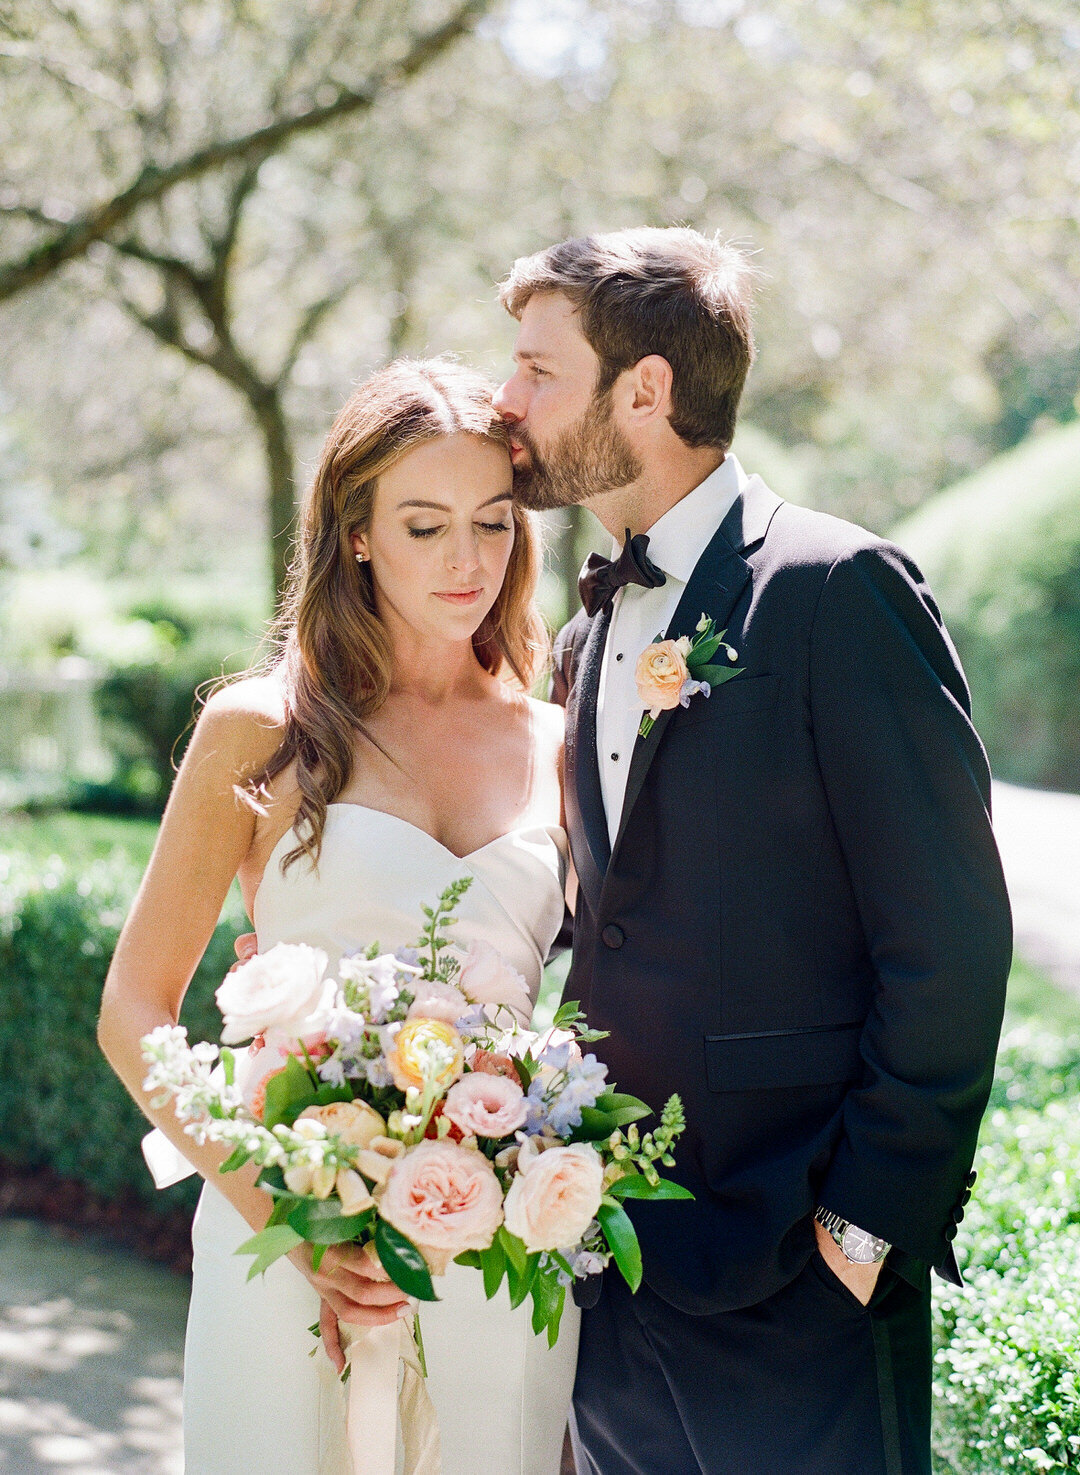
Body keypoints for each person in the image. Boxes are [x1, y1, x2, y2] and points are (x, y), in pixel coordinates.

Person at [494, 227, 1013, 1475]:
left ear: (647, 389)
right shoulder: (584, 631)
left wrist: (865, 1225)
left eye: (535, 370)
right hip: (621, 1270)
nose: (504, 402)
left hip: (801, 1278)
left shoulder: (840, 589)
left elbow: (949, 940)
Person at [98, 359, 578, 1475]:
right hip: (287, 1222)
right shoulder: (261, 726)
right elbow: (134, 1004)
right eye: (424, 525)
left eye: (493, 524)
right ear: (357, 533)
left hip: (499, 1240)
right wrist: (277, 1199)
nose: (467, 560)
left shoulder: (563, 739)